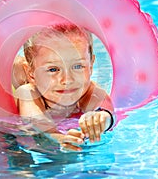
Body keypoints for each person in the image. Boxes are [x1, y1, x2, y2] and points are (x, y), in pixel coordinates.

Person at [14, 23, 115, 151]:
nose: (67, 80)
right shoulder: (28, 93)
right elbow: (36, 123)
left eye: (78, 66)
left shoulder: (88, 90)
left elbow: (107, 111)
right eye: (53, 69)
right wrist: (58, 138)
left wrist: (101, 119)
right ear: (31, 73)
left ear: (91, 65)